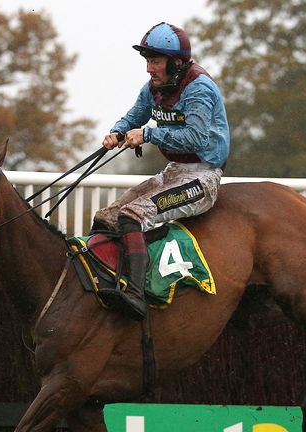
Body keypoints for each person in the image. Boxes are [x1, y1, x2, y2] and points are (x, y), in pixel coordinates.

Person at [93, 22, 230, 321]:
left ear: (177, 63)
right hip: (174, 171)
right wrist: (117, 132)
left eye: (154, 61)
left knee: (131, 216)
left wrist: (149, 135)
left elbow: (196, 138)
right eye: (147, 61)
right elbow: (135, 116)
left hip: (202, 177)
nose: (149, 69)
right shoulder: (155, 87)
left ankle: (136, 296)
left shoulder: (199, 88)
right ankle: (105, 280)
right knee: (106, 217)